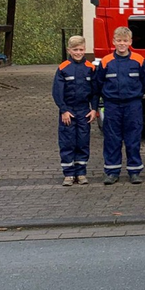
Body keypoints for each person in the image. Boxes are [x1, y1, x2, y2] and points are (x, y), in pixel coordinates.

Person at [96, 27, 145, 185]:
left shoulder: (138, 60)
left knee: (133, 139)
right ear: (113, 42)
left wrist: (136, 95)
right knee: (112, 139)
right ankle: (112, 172)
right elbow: (98, 83)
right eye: (118, 40)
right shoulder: (106, 61)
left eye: (125, 41)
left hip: (133, 105)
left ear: (130, 42)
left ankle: (134, 172)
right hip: (112, 105)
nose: (122, 44)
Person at [52, 35, 99, 186]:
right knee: (67, 142)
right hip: (68, 112)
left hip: (84, 111)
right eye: (75, 50)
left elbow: (95, 91)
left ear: (85, 50)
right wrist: (63, 110)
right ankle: (68, 174)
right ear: (69, 50)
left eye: (81, 49)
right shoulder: (63, 68)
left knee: (83, 142)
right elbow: (57, 92)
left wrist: (94, 110)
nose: (78, 52)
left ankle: (81, 172)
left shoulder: (91, 68)